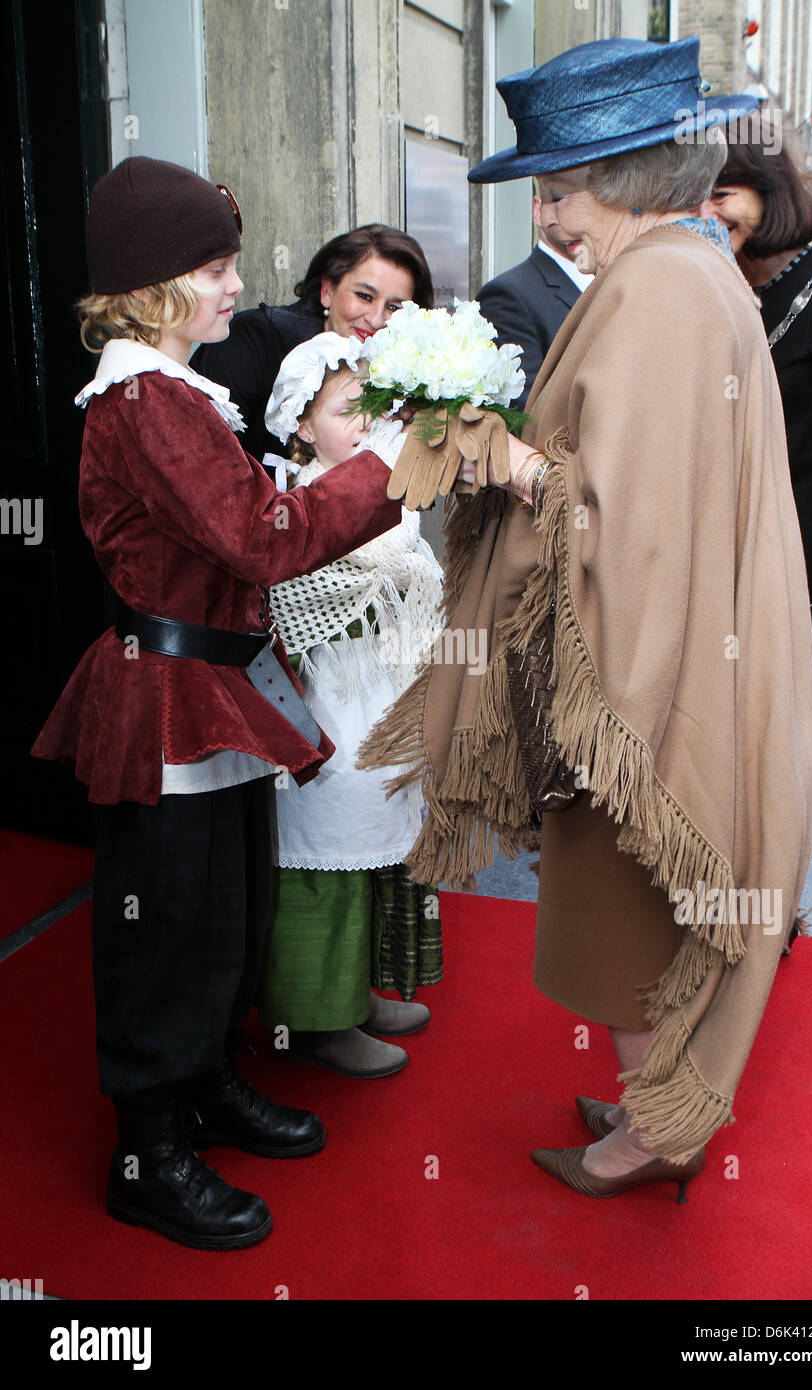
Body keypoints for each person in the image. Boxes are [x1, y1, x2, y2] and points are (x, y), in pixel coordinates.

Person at [358, 38, 812, 1200]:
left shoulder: (657, 284)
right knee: (635, 910)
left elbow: (622, 516)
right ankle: (647, 1102)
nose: (549, 213)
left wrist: (500, 457)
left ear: (620, 176)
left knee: (626, 908)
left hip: (635, 673)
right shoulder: (689, 266)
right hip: (660, 653)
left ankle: (650, 1133)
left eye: (557, 186)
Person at [29, 157, 418, 1251]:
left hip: (212, 685)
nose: (233, 289)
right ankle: (148, 1151)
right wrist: (389, 460)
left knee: (223, 914)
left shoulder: (172, 394)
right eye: (213, 269)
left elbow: (242, 525)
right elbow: (260, 539)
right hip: (166, 697)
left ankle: (204, 1086)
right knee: (165, 929)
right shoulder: (144, 398)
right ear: (153, 288)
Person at [251, 334, 445, 1077]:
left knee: (375, 846)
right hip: (324, 708)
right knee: (323, 855)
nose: (367, 420)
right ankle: (314, 1019)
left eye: (375, 405)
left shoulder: (383, 492)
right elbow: (300, 597)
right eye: (345, 409)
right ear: (301, 424)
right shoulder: (295, 498)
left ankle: (356, 993)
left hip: (380, 697)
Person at [701, 125, 812, 723]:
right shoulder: (725, 285)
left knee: (785, 733)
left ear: (768, 193)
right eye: (701, 197)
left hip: (807, 555)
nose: (709, 212)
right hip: (740, 546)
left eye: (723, 195)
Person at [191, 224, 434, 462]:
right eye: (364, 296)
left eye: (393, 307)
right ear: (327, 290)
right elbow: (204, 461)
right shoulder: (252, 340)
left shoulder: (404, 375)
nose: (376, 318)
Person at [477, 190, 593, 410]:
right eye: (559, 199)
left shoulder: (616, 281)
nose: (574, 215)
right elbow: (529, 410)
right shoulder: (508, 295)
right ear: (537, 210)